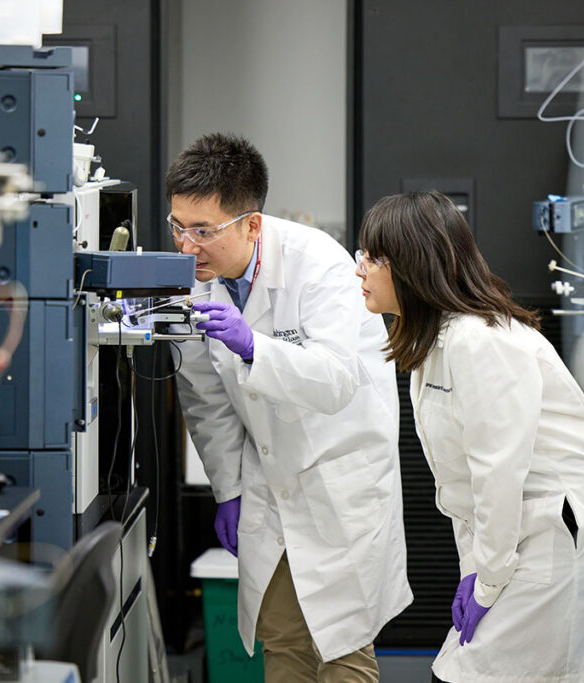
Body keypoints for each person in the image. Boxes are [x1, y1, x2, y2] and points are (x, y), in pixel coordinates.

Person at [354, 190, 584, 683]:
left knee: (469, 673)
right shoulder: (435, 342)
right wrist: (474, 569)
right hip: (526, 525)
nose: (360, 270)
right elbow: (463, 486)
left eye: (373, 258)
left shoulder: (480, 341)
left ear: (413, 264)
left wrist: (488, 580)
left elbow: (496, 471)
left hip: (568, 529)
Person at [166, 133, 412, 682]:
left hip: (338, 480)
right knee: (282, 645)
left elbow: (336, 381)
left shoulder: (319, 265)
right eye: (177, 226)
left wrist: (256, 347)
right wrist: (228, 488)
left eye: (203, 231)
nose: (186, 246)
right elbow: (206, 402)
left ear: (251, 224)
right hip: (265, 484)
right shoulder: (195, 282)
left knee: (343, 650)